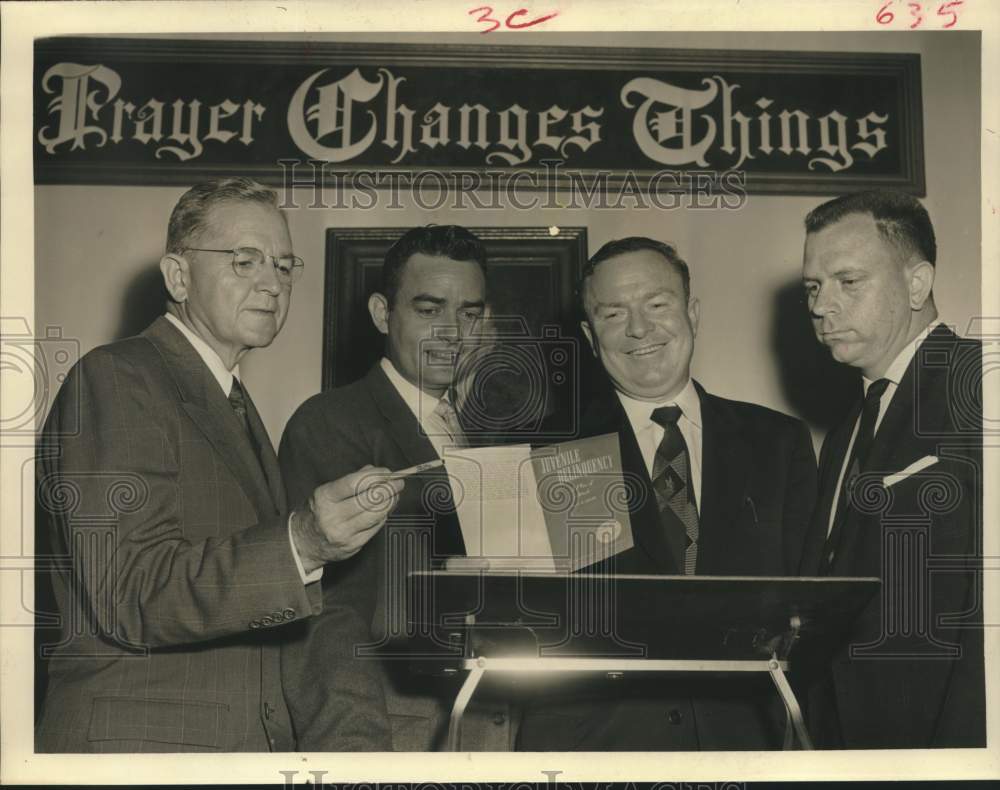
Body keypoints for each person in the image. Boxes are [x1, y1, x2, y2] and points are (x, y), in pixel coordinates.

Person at [34, 177, 402, 753]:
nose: (272, 284)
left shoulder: (231, 402)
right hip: (141, 752)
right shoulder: (117, 377)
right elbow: (132, 592)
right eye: (244, 260)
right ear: (178, 277)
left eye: (283, 266)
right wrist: (303, 542)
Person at [517, 236, 819, 750]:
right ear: (590, 336)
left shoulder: (779, 443)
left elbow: (805, 616)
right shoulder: (542, 455)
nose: (639, 328)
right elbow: (520, 627)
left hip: (748, 744)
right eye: (614, 314)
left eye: (657, 305)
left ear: (692, 314)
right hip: (594, 752)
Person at [279, 225, 514, 751]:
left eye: (469, 313)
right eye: (429, 310)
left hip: (503, 732)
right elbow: (325, 612)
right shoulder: (331, 422)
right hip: (394, 736)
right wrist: (356, 756)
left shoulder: (490, 429)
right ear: (382, 313)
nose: (452, 333)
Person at [798, 189, 984, 748]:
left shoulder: (978, 386)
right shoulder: (844, 433)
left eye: (848, 281)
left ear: (917, 284)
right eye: (813, 286)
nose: (821, 306)